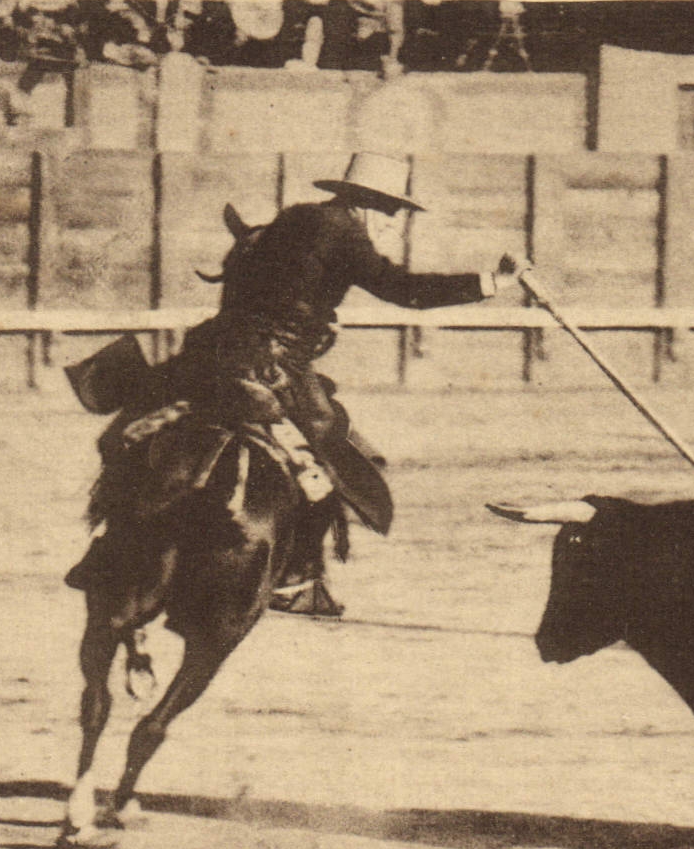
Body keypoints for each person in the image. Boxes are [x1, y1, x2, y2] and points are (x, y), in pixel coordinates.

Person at [68, 151, 526, 617]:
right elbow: (403, 290)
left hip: (209, 355)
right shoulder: (347, 232)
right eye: (391, 213)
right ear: (367, 204)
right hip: (272, 370)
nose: (393, 225)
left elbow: (256, 289)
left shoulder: (287, 221)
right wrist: (493, 282)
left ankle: (106, 549)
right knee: (331, 461)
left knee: (133, 427)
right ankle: (295, 580)